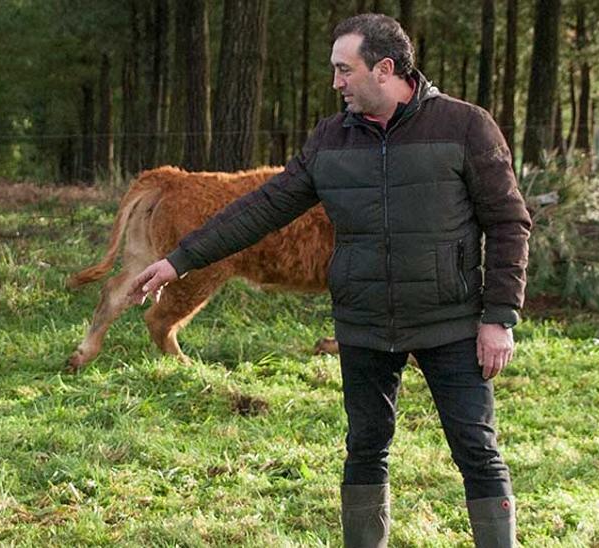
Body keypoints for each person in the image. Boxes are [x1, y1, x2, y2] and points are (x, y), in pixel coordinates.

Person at [129, 13, 530, 548]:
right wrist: (180, 259)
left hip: (450, 323)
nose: (336, 82)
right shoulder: (331, 138)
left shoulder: (464, 127)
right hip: (364, 326)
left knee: (476, 449)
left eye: (345, 70)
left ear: (384, 69)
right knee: (365, 448)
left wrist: (499, 317)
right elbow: (262, 208)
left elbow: (508, 223)